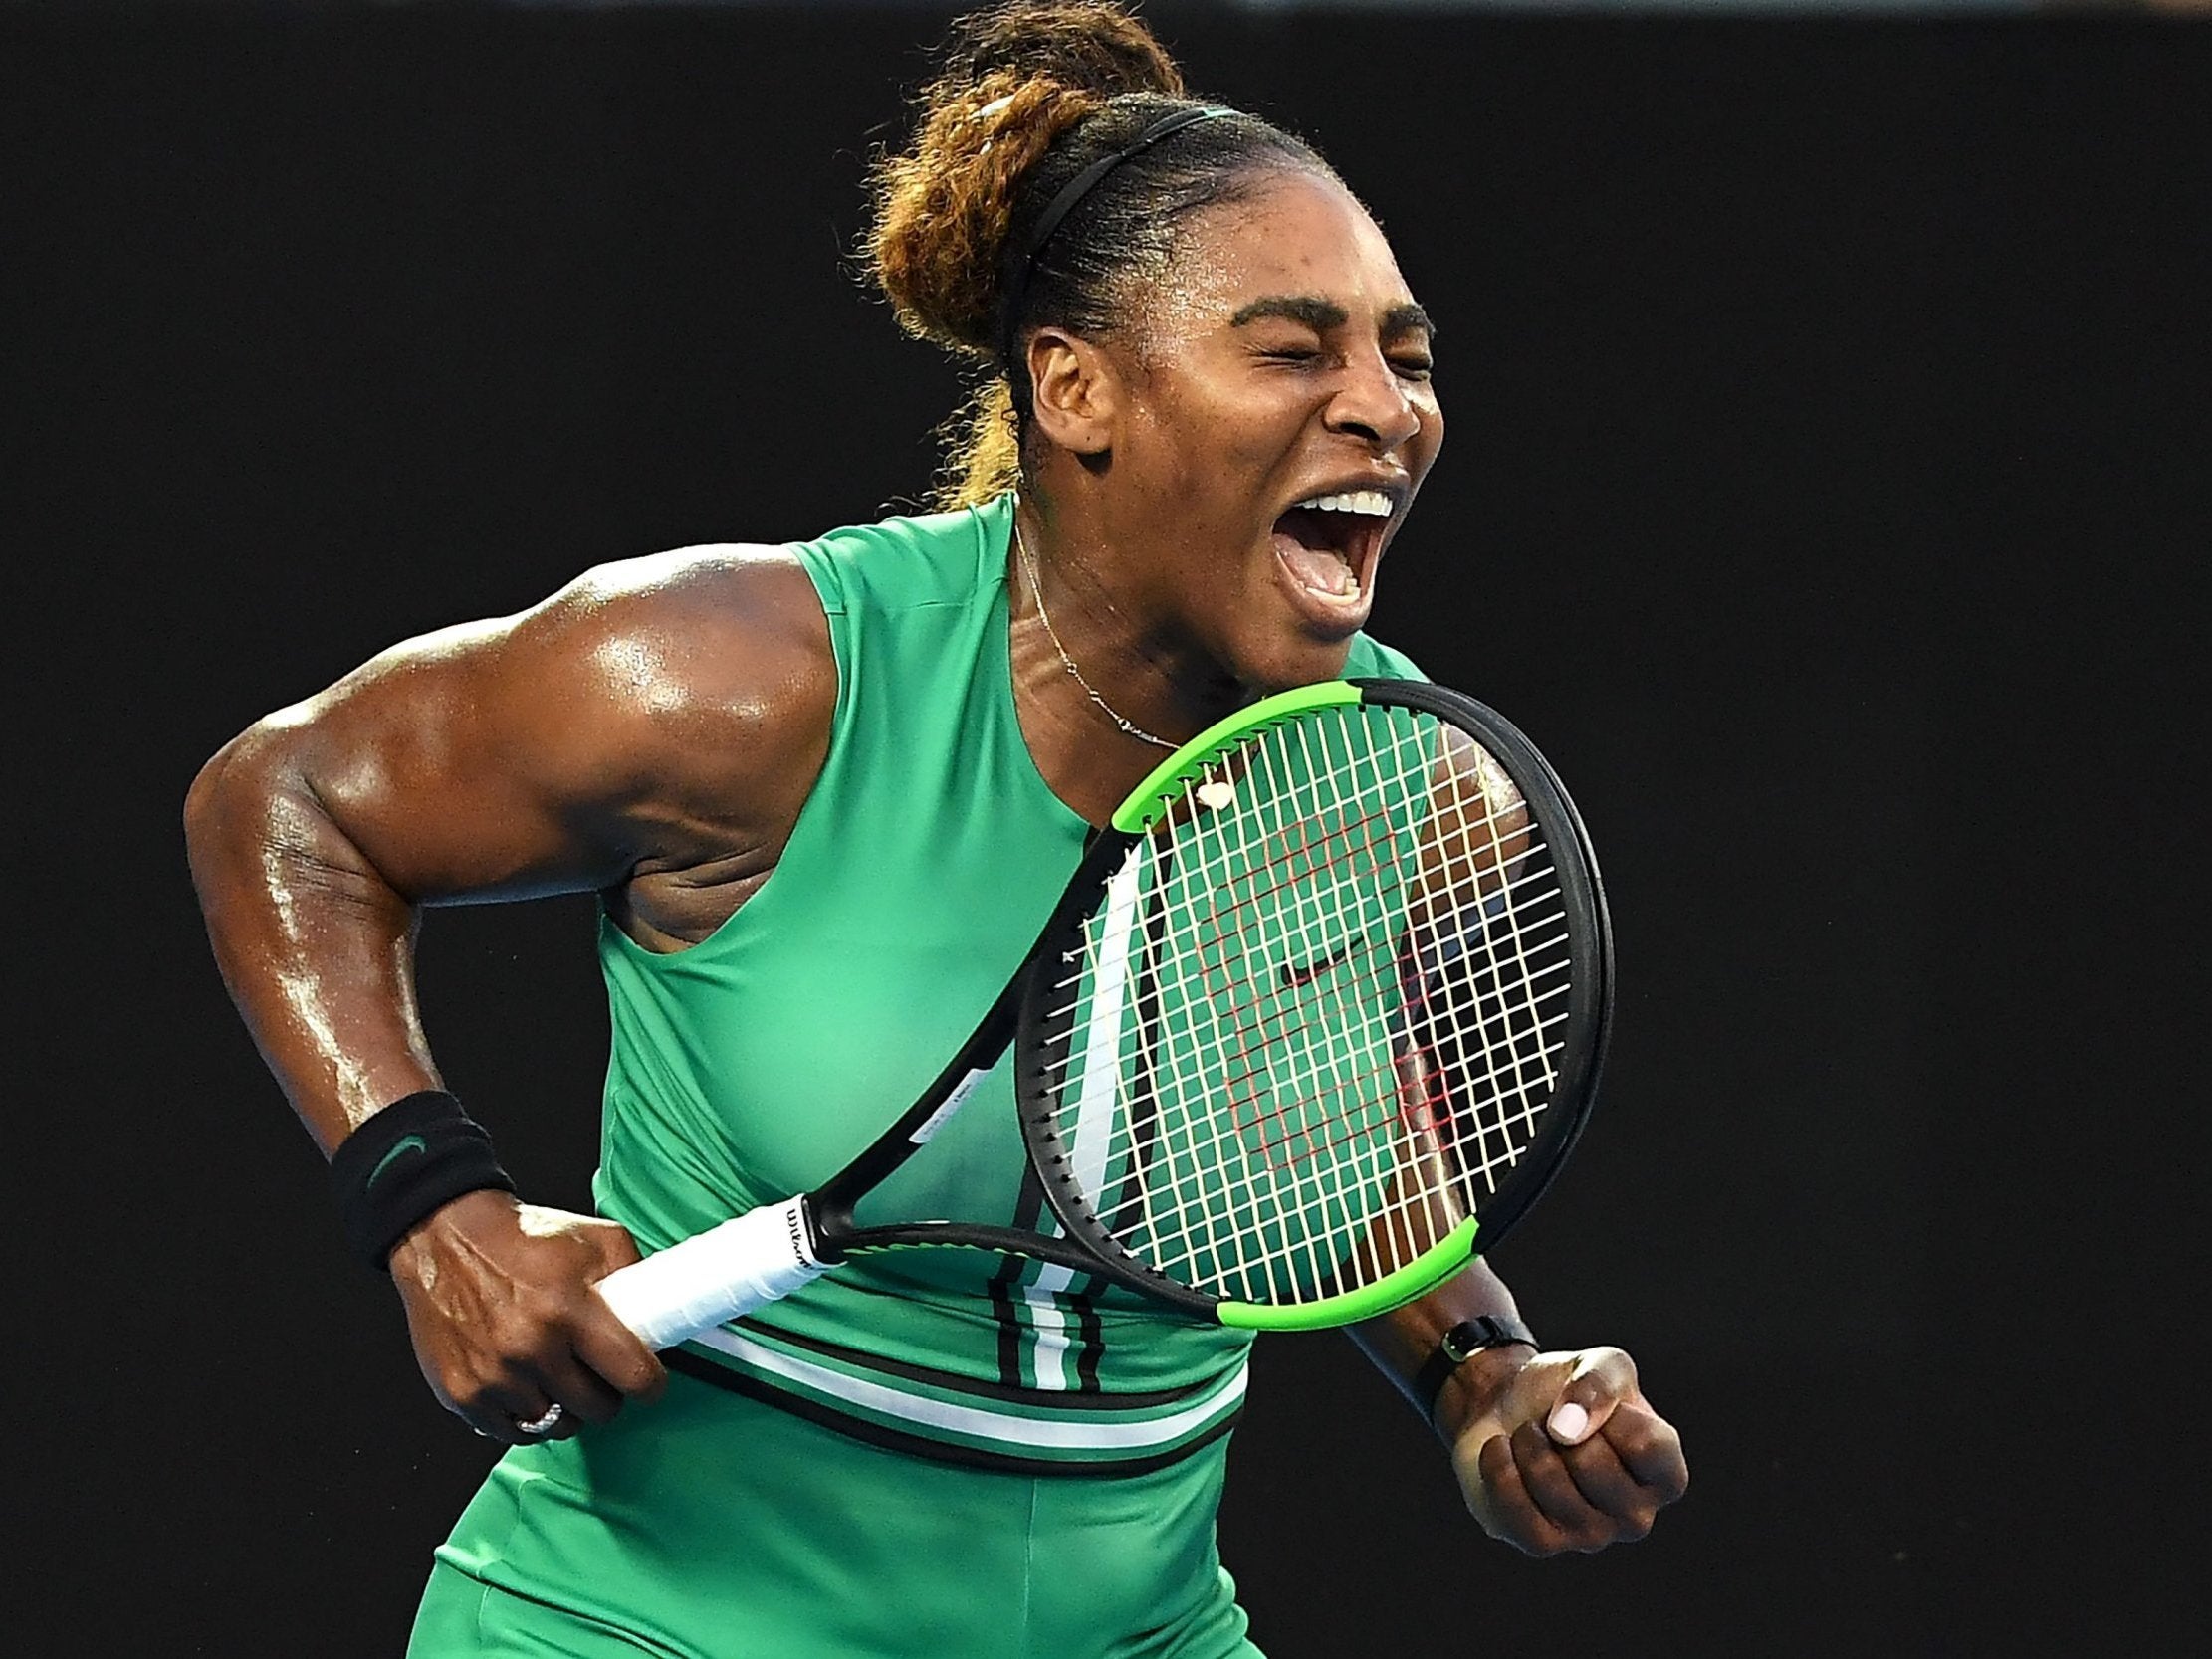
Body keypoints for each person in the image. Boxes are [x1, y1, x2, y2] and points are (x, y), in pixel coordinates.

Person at [184, 4, 1687, 1653]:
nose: (1384, 409)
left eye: (1404, 355)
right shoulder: (739, 679)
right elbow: (288, 801)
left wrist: (1482, 1373)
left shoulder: (1408, 781)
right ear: (1075, 388)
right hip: (649, 1628)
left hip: (1142, 1631)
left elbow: (1312, 1140)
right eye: (1292, 349)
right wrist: (433, 1213)